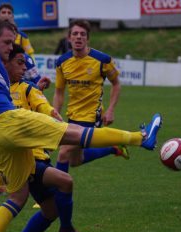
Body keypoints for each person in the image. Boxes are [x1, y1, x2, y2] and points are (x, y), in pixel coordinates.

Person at [0, 17, 162, 232]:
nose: (10, 47)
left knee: (18, 196)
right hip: (7, 122)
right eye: (7, 42)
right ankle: (141, 137)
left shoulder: (4, 74)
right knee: (74, 133)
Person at [53, 19, 128, 175]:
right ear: (69, 38)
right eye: (75, 34)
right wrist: (54, 113)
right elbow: (59, 92)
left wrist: (111, 110)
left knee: (63, 152)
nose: (78, 37)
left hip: (93, 117)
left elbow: (116, 84)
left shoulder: (103, 60)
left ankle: (55, 197)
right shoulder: (62, 62)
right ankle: (113, 147)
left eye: (82, 34)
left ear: (87, 38)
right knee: (75, 161)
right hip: (72, 117)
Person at [0, 2, 51, 91]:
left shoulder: (22, 36)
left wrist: (30, 66)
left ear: (12, 16)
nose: (6, 15)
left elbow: (29, 54)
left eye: (9, 12)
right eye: (3, 12)